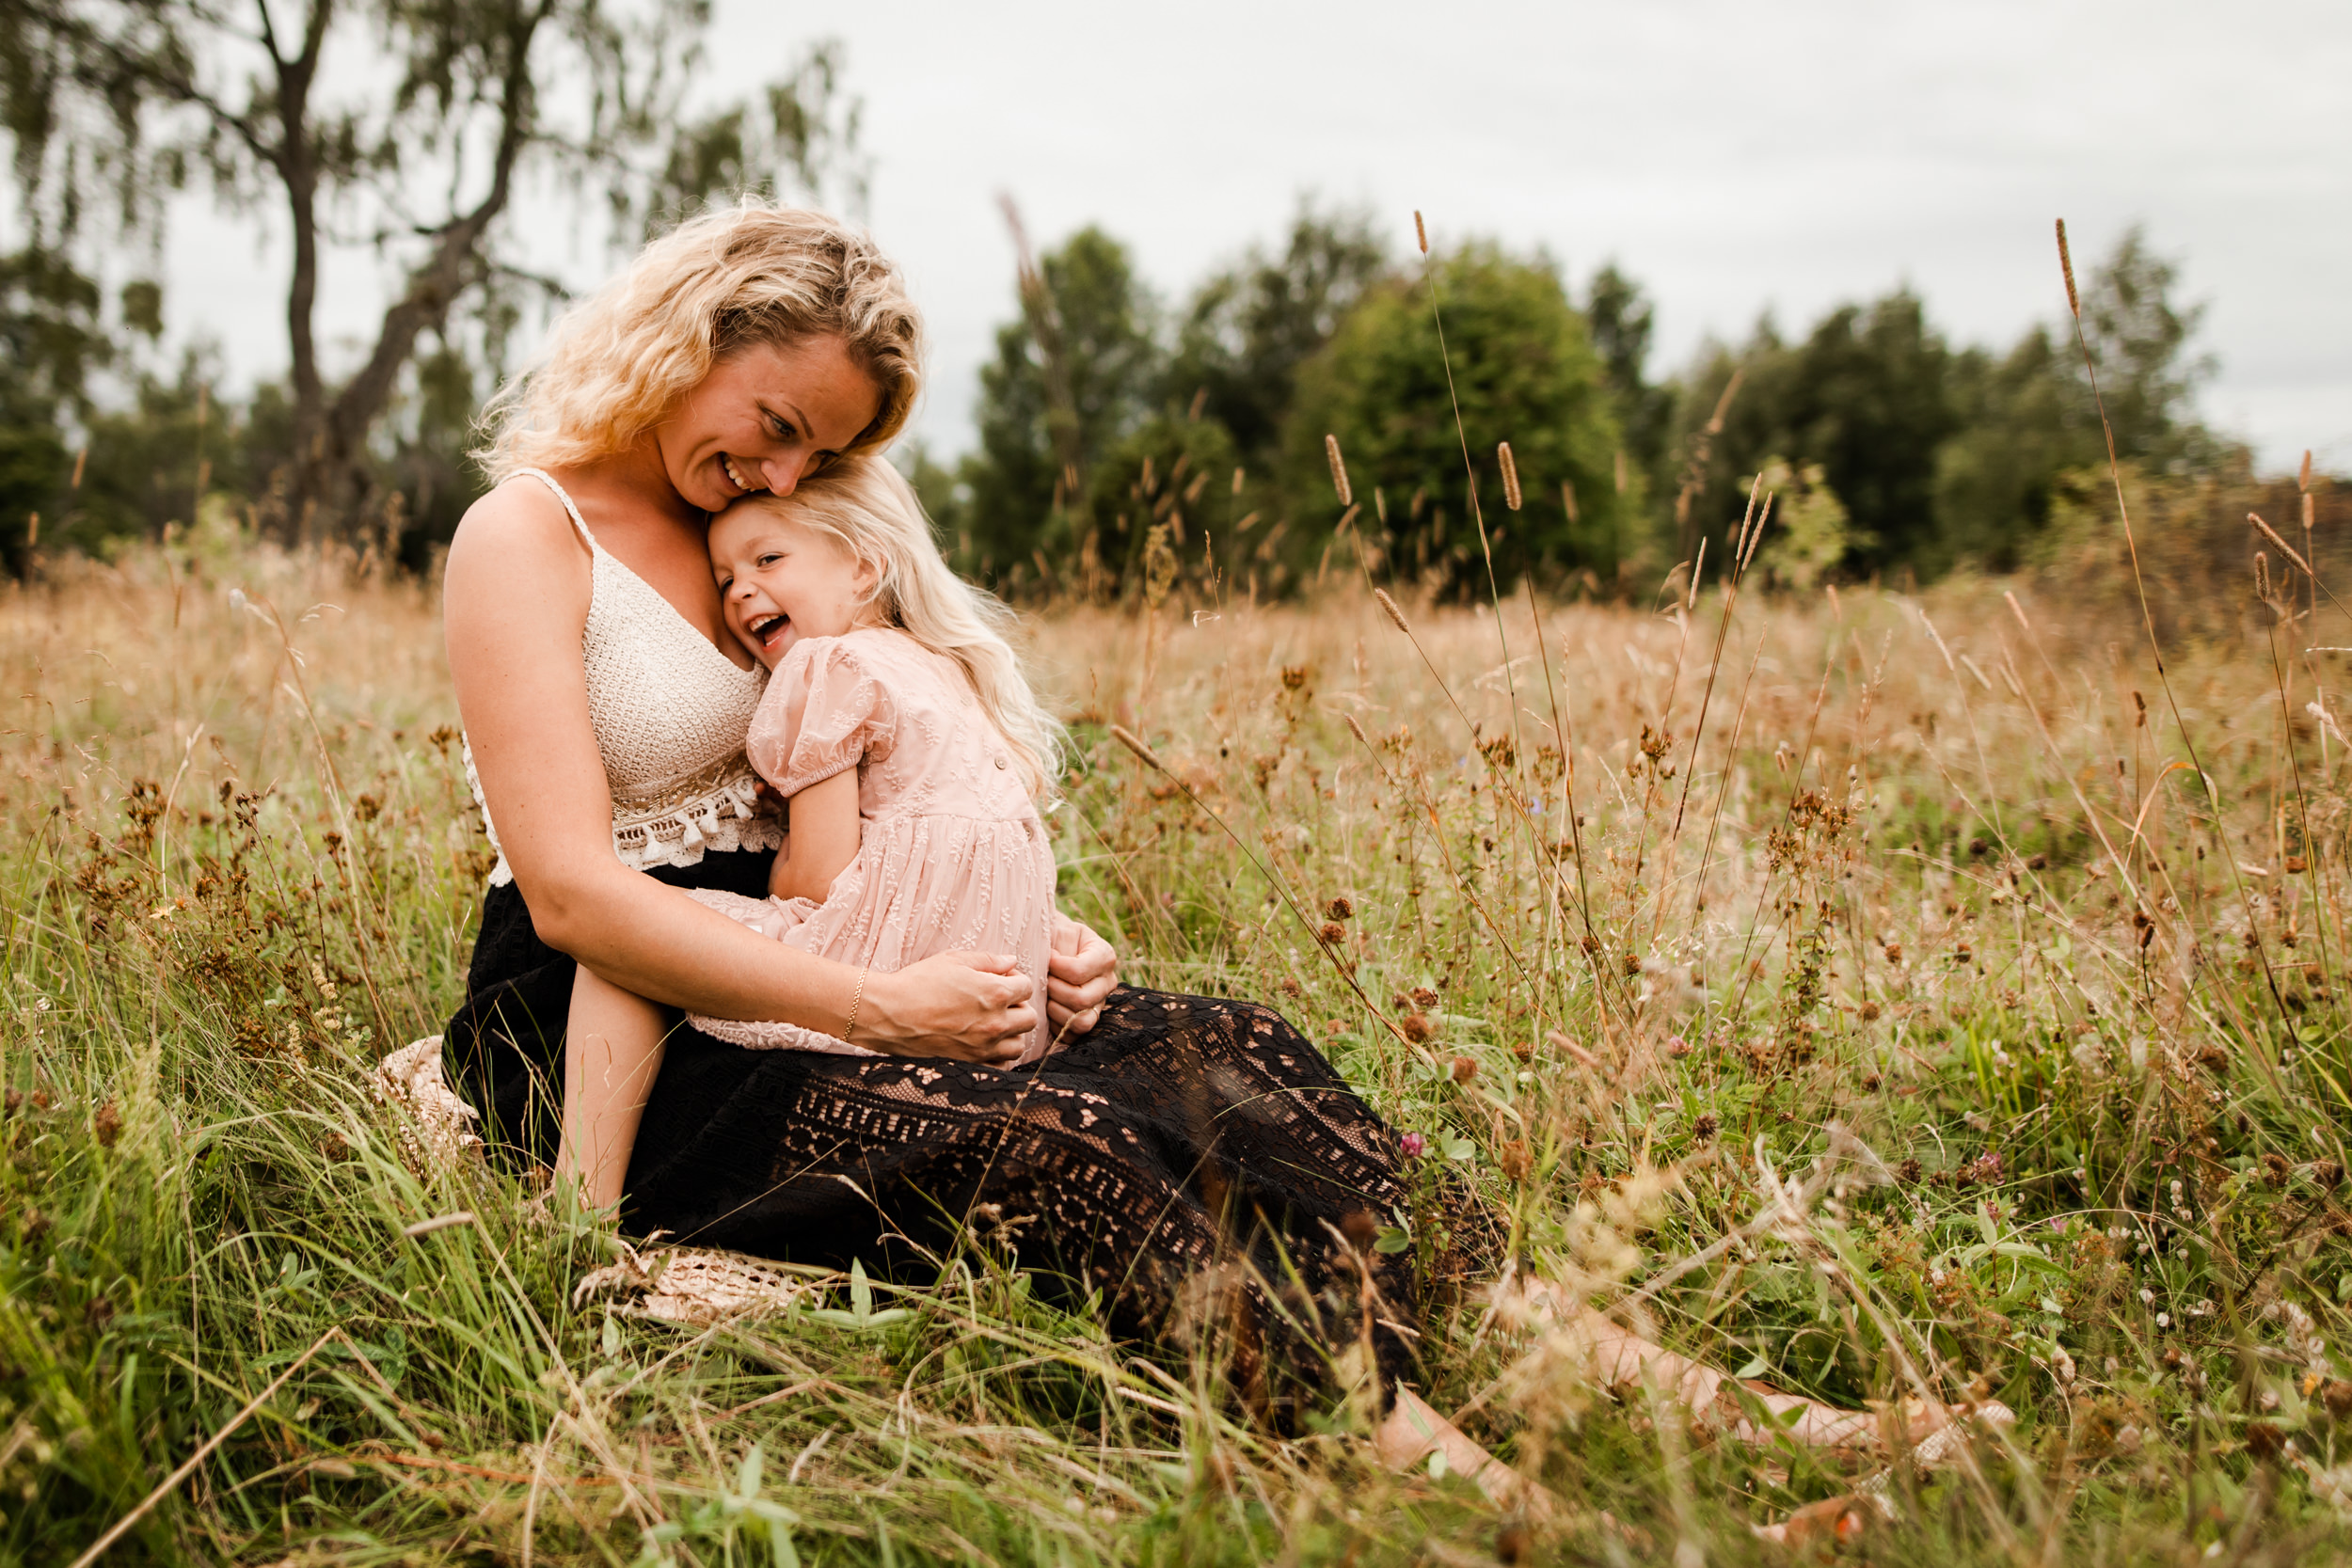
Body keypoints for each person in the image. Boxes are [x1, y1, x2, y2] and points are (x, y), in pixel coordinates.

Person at [437, 199, 1965, 1503]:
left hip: (821, 948)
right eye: (775, 425)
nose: (778, 478)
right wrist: (894, 1011)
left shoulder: (775, 543)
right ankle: (1501, 1501)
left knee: (1230, 1052)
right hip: (609, 1010)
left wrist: (1031, 929)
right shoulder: (528, 534)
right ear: (694, 328)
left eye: (812, 455)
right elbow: (575, 892)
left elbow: (884, 793)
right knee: (1068, 1142)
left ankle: (1721, 1409)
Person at [560, 454, 1067, 1207]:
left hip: (891, 974)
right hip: (1008, 1009)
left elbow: (820, 881)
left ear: (864, 566)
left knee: (625, 946)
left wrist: (783, 858)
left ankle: (579, 1200)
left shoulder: (828, 668)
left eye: (768, 558)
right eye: (726, 577)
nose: (742, 592)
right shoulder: (943, 669)